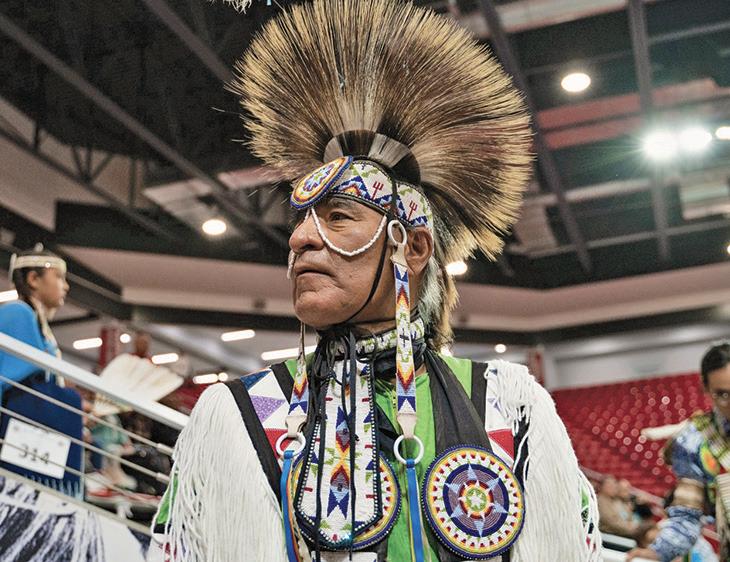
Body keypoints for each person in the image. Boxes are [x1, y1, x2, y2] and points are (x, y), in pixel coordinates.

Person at [149, 1, 600, 560]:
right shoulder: (243, 417)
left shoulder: (506, 406)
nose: (301, 238)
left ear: (412, 248)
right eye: (301, 220)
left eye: (338, 217)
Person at [627, 342, 730, 561]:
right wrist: (658, 551)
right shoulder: (695, 441)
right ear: (706, 388)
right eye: (722, 394)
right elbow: (687, 515)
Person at [0, 245, 84, 497]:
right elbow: (16, 378)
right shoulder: (17, 312)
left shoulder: (35, 320)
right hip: (19, 430)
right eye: (58, 277)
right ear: (33, 279)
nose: (65, 286)